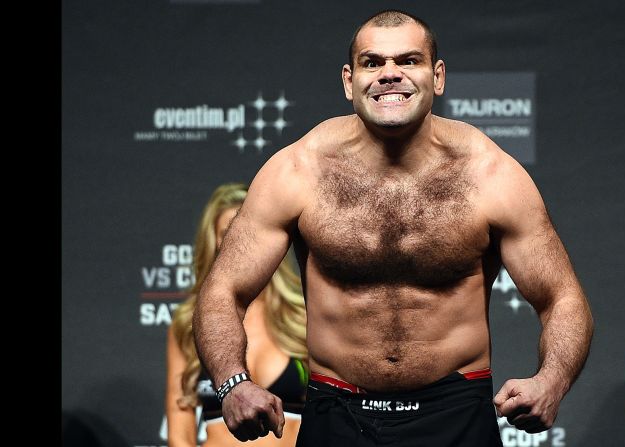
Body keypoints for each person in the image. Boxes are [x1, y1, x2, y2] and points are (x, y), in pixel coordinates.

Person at [193, 10, 594, 447]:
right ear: (349, 81)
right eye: (372, 63)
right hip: (337, 411)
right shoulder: (298, 171)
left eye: (408, 61)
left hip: (455, 412)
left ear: (437, 76)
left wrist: (552, 380)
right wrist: (232, 382)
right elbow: (222, 291)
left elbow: (563, 298)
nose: (390, 75)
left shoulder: (490, 176)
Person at [165, 182, 308, 447]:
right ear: (214, 242)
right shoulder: (189, 324)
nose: (238, 241)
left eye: (246, 231)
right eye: (227, 232)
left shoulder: (303, 316)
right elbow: (179, 429)